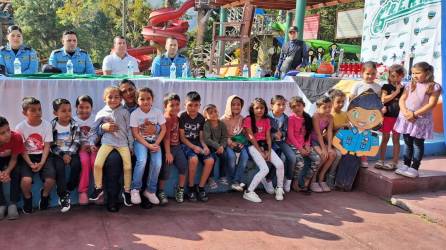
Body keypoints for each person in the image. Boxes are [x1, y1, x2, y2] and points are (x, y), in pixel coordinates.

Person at [394, 62, 442, 178]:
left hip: (420, 120)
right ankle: (406, 164)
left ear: (427, 73)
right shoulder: (410, 85)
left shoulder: (434, 86)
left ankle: (414, 167)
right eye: (413, 73)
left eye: (418, 73)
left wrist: (414, 114)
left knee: (417, 144)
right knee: (407, 142)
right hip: (406, 118)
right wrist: (405, 111)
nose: (414, 75)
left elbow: (431, 104)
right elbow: (402, 99)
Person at [89, 87, 133, 206]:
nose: (113, 100)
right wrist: (92, 143)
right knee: (97, 164)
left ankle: (127, 190)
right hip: (107, 142)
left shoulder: (125, 112)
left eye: (116, 97)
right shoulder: (101, 113)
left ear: (121, 98)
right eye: (110, 97)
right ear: (104, 99)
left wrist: (131, 145)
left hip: (123, 144)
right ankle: (98, 188)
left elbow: (129, 130)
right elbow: (93, 130)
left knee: (128, 167)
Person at [15, 97, 56, 214]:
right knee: (26, 181)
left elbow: (47, 146)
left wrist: (42, 162)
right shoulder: (20, 128)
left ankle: (45, 196)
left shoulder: (47, 125)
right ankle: (27, 198)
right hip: (27, 157)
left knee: (50, 180)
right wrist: (30, 163)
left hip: (43, 155)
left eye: (39, 109)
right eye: (33, 110)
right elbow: (22, 149)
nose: (38, 112)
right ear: (24, 113)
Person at [243, 98, 285, 203]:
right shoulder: (248, 119)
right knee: (264, 169)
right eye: (257, 108)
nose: (259, 110)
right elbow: (251, 138)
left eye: (262, 108)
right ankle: (248, 191)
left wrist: (269, 151)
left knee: (280, 164)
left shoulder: (266, 120)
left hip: (265, 145)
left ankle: (279, 188)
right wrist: (261, 152)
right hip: (253, 146)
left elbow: (268, 137)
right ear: (252, 109)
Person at [130, 88, 166, 205]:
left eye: (148, 98)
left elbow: (163, 129)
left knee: (157, 163)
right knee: (142, 160)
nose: (145, 101)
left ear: (153, 99)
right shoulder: (135, 114)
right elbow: (135, 133)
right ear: (137, 101)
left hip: (155, 142)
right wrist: (148, 145)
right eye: (142, 99)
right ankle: (135, 189)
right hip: (140, 142)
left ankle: (150, 191)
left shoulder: (157, 112)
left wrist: (156, 143)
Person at [179, 91, 214, 202]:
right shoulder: (182, 117)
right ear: (185, 105)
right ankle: (191, 187)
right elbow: (182, 138)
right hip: (186, 144)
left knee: (210, 160)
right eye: (190, 105)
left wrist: (204, 146)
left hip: (198, 143)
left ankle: (201, 187)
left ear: (199, 105)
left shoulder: (201, 118)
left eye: (196, 105)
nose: (193, 108)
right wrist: (193, 147)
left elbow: (201, 137)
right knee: (193, 159)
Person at [50, 98, 82, 213]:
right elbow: (52, 144)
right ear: (55, 113)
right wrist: (63, 155)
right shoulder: (52, 125)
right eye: (63, 111)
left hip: (71, 152)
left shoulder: (74, 124)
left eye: (69, 110)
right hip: (58, 154)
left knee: (77, 165)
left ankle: (69, 187)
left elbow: (77, 141)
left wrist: (68, 154)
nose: (67, 113)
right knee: (59, 168)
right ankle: (63, 195)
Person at [286, 97, 320, 193]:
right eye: (294, 106)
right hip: (293, 144)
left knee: (317, 159)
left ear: (303, 105)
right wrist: (300, 148)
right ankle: (295, 181)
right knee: (300, 162)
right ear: (291, 108)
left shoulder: (307, 118)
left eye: (299, 105)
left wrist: (307, 145)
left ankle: (306, 180)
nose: (297, 108)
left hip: (304, 144)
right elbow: (291, 136)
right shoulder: (291, 118)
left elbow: (307, 134)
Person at [349, 61, 380, 167]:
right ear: (362, 73)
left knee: (365, 136)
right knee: (355, 134)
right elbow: (352, 98)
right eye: (368, 73)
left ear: (376, 74)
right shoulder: (357, 85)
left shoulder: (377, 87)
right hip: (357, 115)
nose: (370, 76)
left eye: (373, 74)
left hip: (369, 117)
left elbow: (378, 102)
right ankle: (351, 155)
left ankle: (363, 157)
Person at [375, 64, 405, 170]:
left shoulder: (404, 88)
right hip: (387, 117)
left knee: (396, 139)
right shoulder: (386, 87)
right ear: (389, 76)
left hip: (398, 118)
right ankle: (381, 160)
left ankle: (394, 162)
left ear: (402, 76)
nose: (395, 79)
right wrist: (396, 91)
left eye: (398, 76)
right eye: (392, 76)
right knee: (385, 138)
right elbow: (384, 99)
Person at [160, 93, 187, 203]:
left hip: (177, 147)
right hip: (168, 148)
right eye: (172, 105)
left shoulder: (177, 118)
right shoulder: (166, 119)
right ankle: (160, 191)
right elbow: (166, 138)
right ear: (165, 107)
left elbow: (180, 135)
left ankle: (180, 189)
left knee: (183, 166)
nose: (175, 107)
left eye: (177, 104)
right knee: (165, 170)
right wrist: (167, 153)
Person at [221, 95, 249, 192]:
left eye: (238, 104)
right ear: (228, 106)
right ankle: (235, 181)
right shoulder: (223, 119)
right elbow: (221, 135)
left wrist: (242, 143)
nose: (236, 107)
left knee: (245, 156)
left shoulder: (242, 119)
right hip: (228, 143)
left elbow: (245, 134)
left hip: (239, 143)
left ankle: (235, 181)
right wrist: (230, 143)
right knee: (231, 157)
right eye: (233, 104)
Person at [268, 95, 296, 193]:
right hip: (269, 142)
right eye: (278, 104)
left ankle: (288, 180)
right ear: (272, 105)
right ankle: (269, 179)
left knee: (292, 157)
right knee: (279, 158)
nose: (281, 107)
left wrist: (282, 133)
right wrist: (273, 134)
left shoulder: (285, 118)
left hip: (280, 141)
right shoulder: (267, 117)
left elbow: (285, 131)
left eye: (283, 104)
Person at [74, 95, 97, 205]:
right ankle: (82, 191)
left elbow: (99, 134)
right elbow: (72, 137)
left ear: (91, 108)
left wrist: (93, 144)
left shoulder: (95, 118)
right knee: (85, 162)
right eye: (81, 107)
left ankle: (99, 189)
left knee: (96, 163)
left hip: (93, 147)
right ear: (76, 107)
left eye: (87, 107)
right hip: (81, 148)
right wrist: (80, 146)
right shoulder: (73, 120)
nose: (84, 110)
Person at [310, 96, 336, 193]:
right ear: (318, 107)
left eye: (329, 107)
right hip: (313, 140)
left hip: (321, 141)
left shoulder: (330, 117)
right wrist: (324, 149)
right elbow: (317, 134)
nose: (328, 110)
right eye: (324, 107)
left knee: (332, 154)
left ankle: (321, 178)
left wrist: (328, 147)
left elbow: (329, 132)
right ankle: (313, 180)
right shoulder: (315, 116)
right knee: (323, 156)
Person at [0, 116, 23, 220]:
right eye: (2, 133)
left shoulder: (16, 137)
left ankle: (12, 204)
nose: (7, 134)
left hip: (11, 159)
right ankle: (1, 204)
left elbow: (14, 159)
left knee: (16, 171)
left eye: (8, 130)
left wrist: (7, 171)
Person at [326, 89, 348, 188]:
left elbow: (347, 128)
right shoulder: (329, 114)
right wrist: (343, 125)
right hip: (329, 141)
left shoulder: (344, 114)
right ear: (331, 102)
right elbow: (331, 128)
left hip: (340, 141)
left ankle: (340, 178)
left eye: (343, 102)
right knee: (338, 155)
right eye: (338, 102)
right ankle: (330, 175)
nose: (341, 104)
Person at [203, 104, 228, 187]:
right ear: (205, 115)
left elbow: (224, 137)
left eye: (215, 111)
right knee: (212, 158)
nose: (214, 114)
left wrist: (222, 146)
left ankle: (222, 176)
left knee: (224, 155)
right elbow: (207, 139)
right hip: (210, 146)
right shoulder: (206, 125)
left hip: (220, 146)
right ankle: (210, 178)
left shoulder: (222, 124)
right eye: (210, 113)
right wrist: (218, 146)